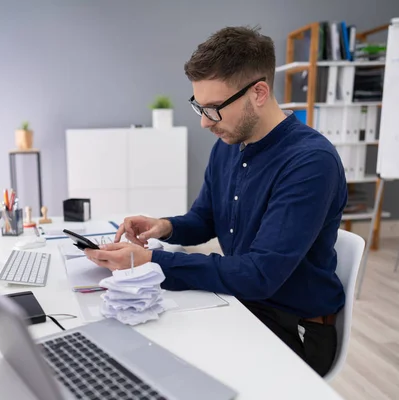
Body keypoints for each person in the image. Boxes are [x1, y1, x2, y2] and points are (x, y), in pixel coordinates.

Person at [84, 26, 348, 377]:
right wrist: (164, 227)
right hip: (243, 303)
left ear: (259, 93)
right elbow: (206, 219)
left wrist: (150, 261)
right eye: (199, 107)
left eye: (214, 109)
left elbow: (258, 274)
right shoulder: (229, 145)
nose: (206, 123)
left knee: (166, 371)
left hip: (293, 331)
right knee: (135, 349)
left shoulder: (310, 162)